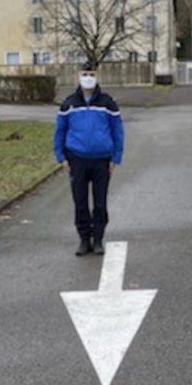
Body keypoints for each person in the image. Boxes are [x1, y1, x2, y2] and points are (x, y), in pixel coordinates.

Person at [53, 60, 124, 256]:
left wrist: (115, 157)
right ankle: (84, 239)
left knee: (100, 202)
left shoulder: (107, 103)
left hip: (102, 160)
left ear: (97, 76)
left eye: (92, 74)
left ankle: (98, 238)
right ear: (78, 75)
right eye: (85, 74)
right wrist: (61, 157)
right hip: (77, 159)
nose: (88, 78)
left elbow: (117, 131)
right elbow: (60, 131)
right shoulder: (69, 103)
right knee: (80, 201)